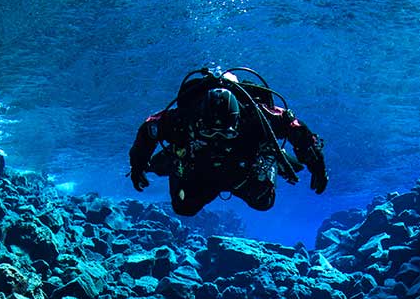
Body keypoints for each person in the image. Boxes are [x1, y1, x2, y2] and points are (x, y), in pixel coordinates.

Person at [129, 68, 328, 216]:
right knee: (183, 208)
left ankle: (271, 156)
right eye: (210, 132)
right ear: (199, 120)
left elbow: (297, 130)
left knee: (264, 203)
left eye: (225, 133)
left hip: (244, 168)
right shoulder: (183, 118)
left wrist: (317, 166)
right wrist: (138, 164)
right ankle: (176, 156)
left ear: (238, 121)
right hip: (199, 168)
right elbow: (148, 129)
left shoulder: (257, 117)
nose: (218, 139)